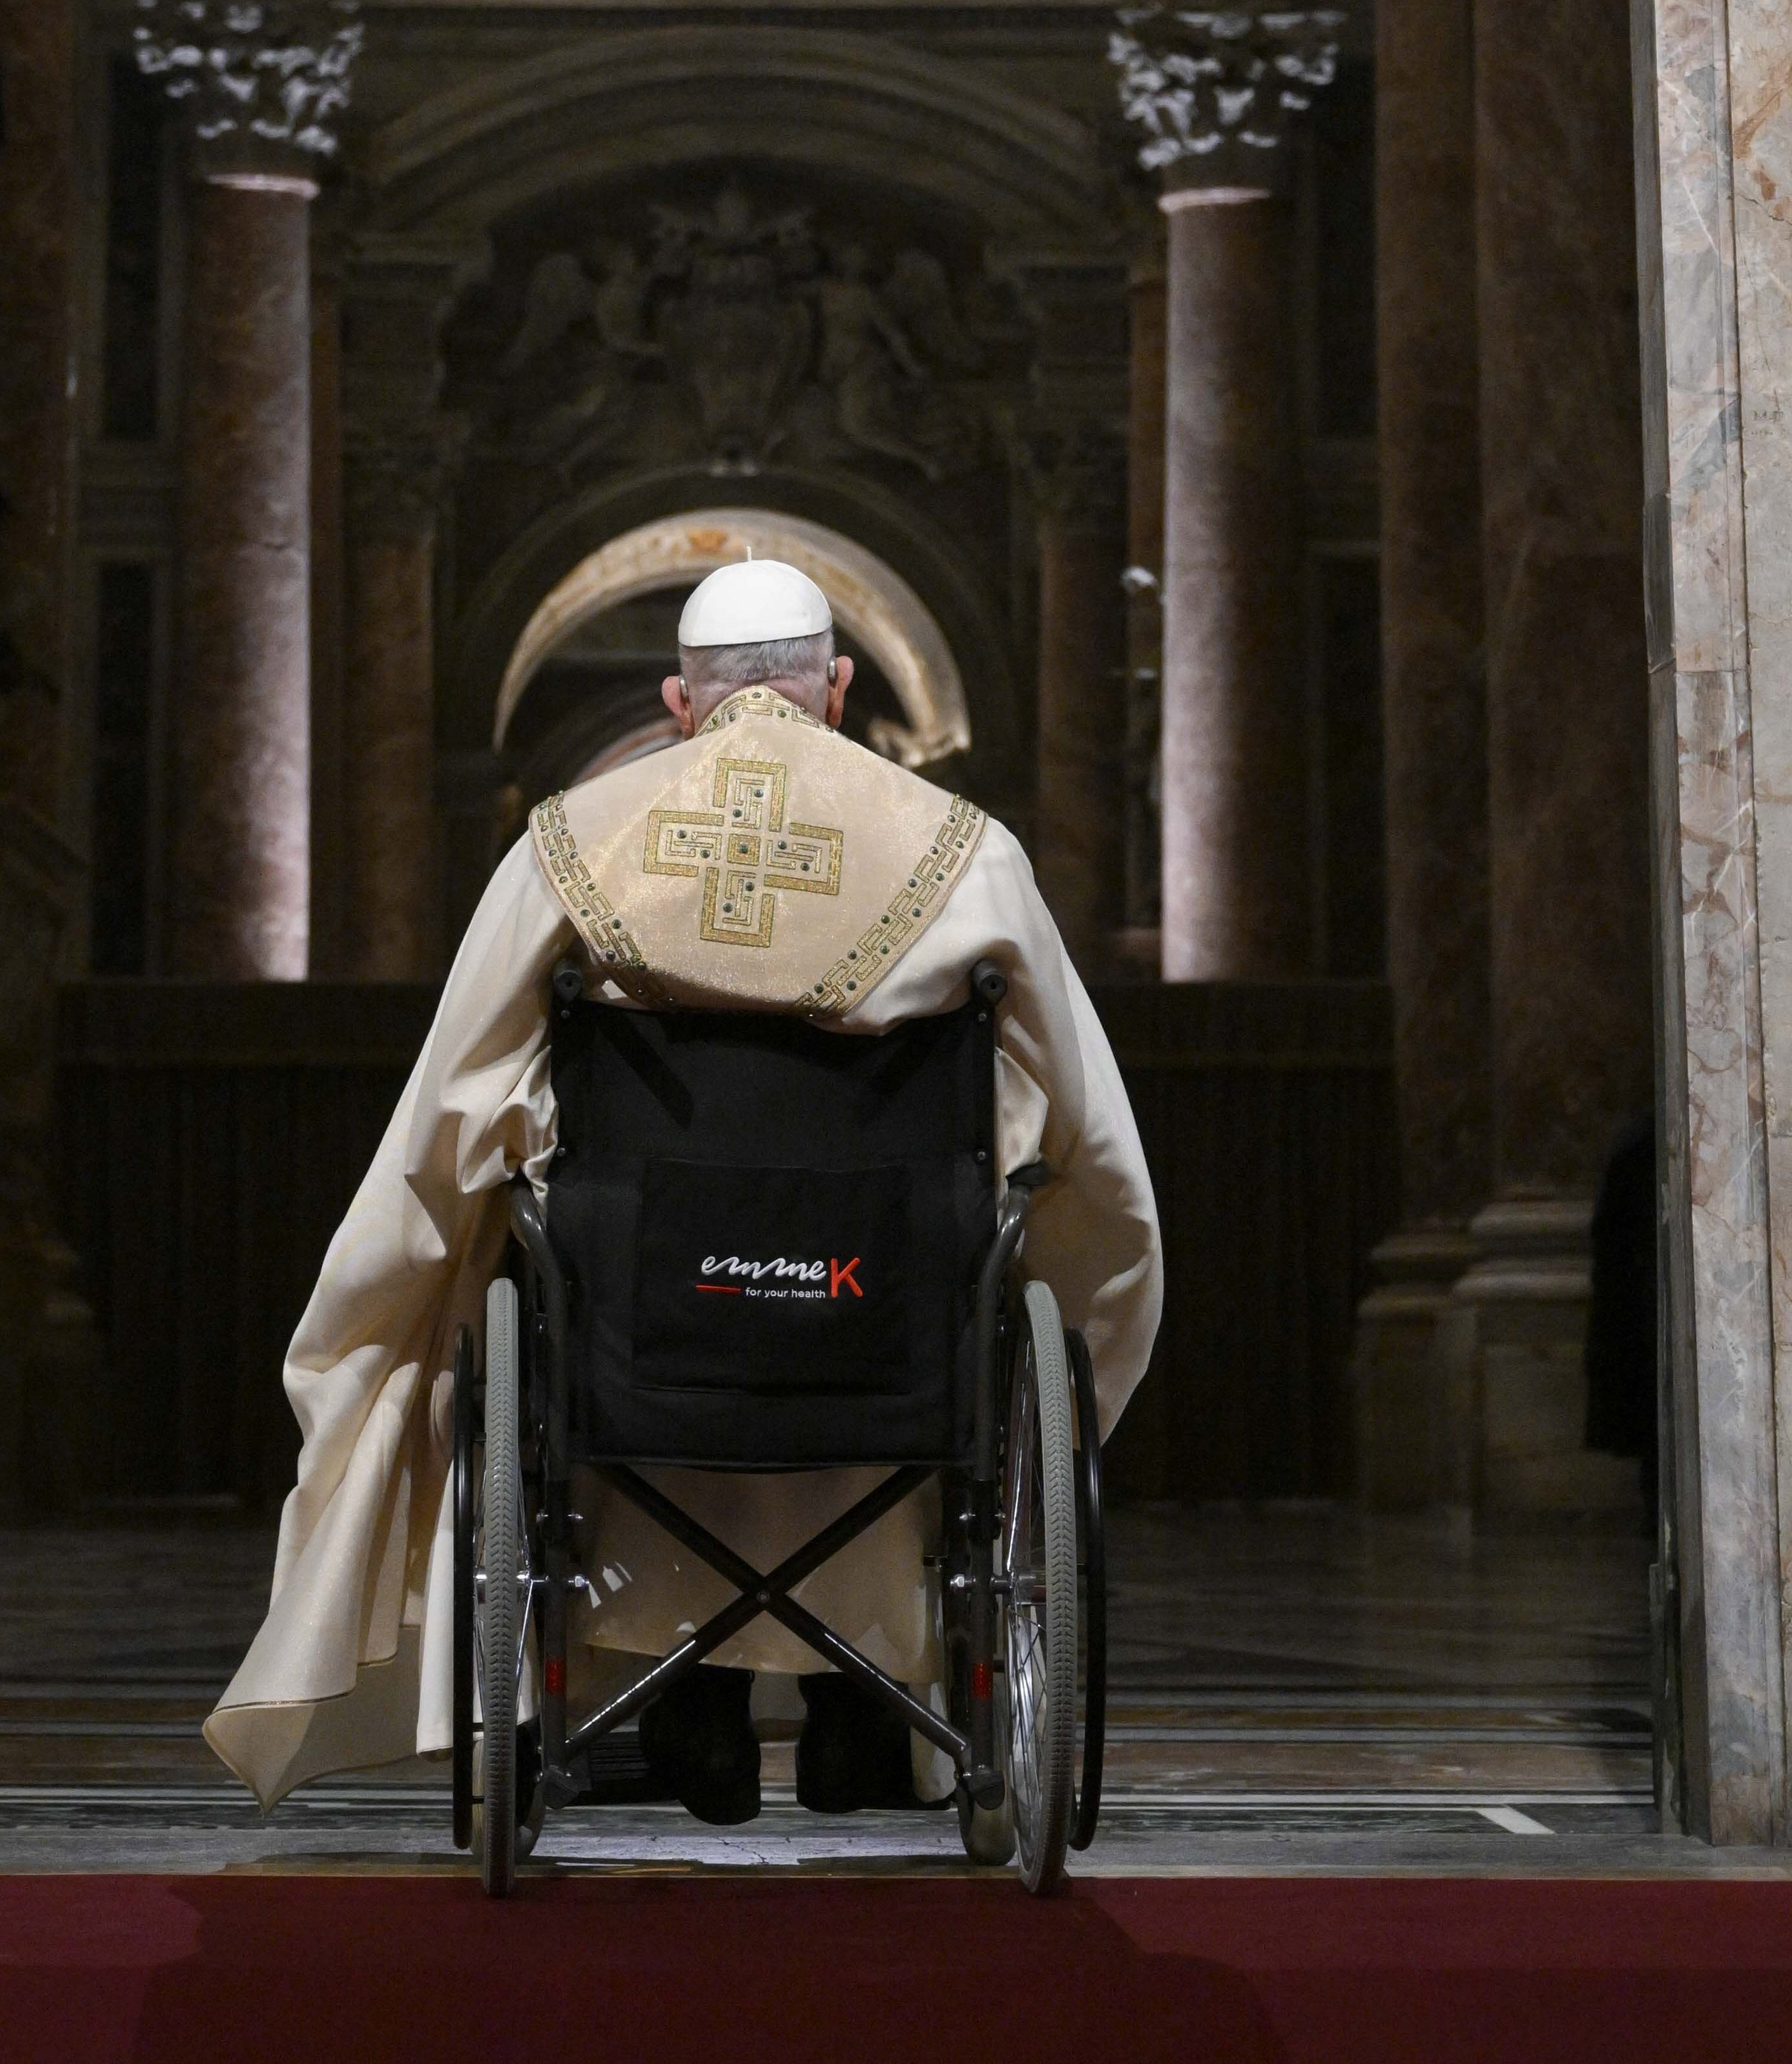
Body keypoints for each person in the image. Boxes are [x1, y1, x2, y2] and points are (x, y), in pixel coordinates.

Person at [202, 557, 1163, 1822]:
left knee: (579, 1260)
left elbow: (449, 1113)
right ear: (836, 687)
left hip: (641, 1349)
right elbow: (1089, 1142)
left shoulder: (569, 846)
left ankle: (686, 1704)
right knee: (937, 1265)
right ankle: (865, 1705)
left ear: (676, 701)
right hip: (885, 1340)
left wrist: (386, 1300)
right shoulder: (963, 853)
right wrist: (1074, 1279)